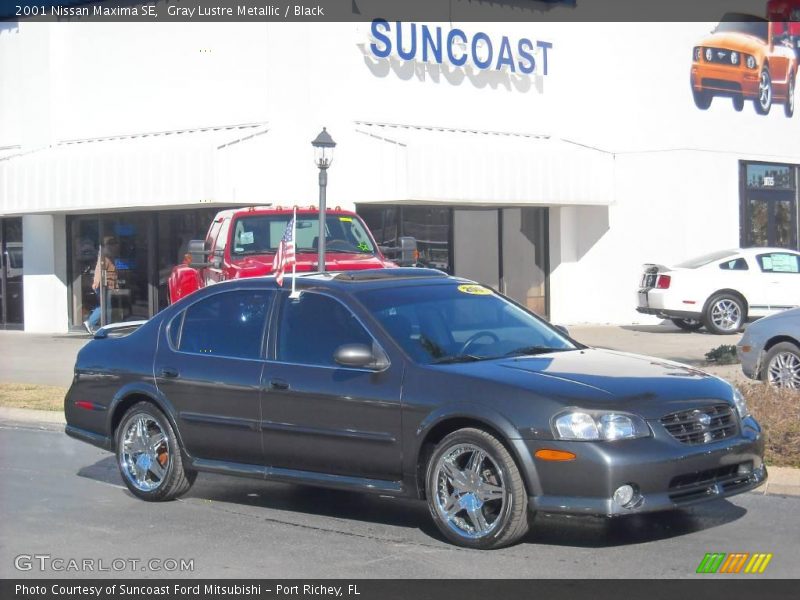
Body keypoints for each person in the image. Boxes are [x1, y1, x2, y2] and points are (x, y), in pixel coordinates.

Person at [83, 237, 119, 333]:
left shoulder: (110, 258)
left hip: (107, 286)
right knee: (104, 307)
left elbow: (113, 274)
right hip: (103, 286)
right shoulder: (104, 258)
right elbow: (99, 271)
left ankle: (106, 326)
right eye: (113, 245)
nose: (116, 247)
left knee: (105, 307)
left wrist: (115, 286)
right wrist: (96, 283)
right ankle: (91, 323)